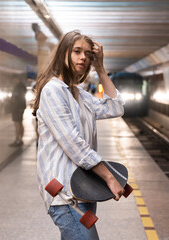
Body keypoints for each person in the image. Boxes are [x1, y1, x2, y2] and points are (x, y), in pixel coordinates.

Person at [32, 30, 125, 239]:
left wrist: (101, 69)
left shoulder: (80, 94)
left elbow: (116, 107)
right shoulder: (52, 91)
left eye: (87, 54)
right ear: (63, 54)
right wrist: (109, 177)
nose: (83, 57)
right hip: (64, 194)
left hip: (84, 190)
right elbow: (74, 144)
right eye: (76, 51)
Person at [9, 76, 27, 147]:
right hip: (21, 107)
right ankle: (20, 139)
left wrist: (14, 106)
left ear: (16, 79)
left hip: (17, 107)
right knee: (20, 122)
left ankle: (18, 140)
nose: (13, 81)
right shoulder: (22, 86)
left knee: (17, 123)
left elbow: (16, 98)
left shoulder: (18, 87)